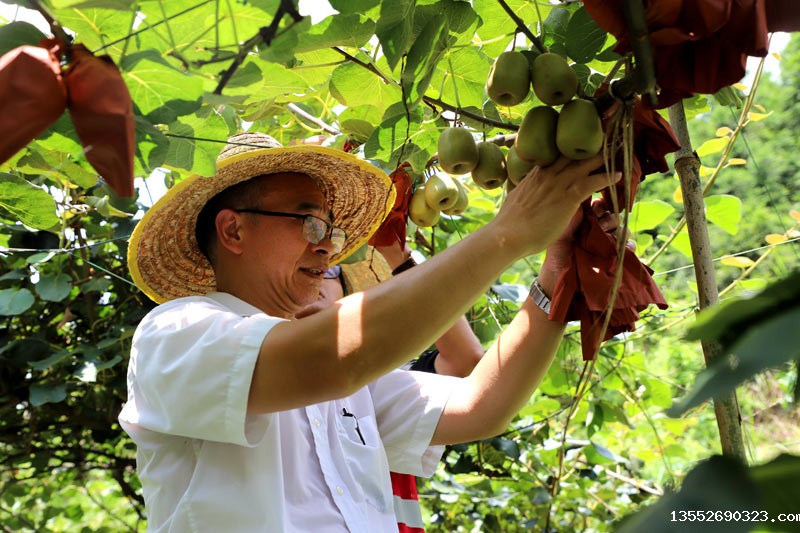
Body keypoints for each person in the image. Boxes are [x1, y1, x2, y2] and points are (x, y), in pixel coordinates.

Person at [120, 131, 621, 532]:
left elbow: (481, 404)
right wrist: (507, 235)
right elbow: (333, 360)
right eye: (308, 223)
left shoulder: (340, 371)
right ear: (233, 231)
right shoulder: (176, 331)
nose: (327, 249)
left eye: (331, 231)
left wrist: (554, 275)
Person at [297, 243, 484, 532]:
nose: (317, 279)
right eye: (301, 270)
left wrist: (395, 253)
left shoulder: (379, 385)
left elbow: (466, 359)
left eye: (329, 270)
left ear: (348, 296)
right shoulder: (250, 382)